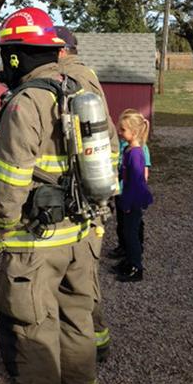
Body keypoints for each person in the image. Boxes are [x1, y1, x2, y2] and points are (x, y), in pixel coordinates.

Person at [0, 7, 97, 384]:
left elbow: (10, 178)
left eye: (6, 53)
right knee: (76, 321)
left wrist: (5, 224)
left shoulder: (27, 100)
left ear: (17, 55)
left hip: (37, 240)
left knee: (33, 329)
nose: (4, 62)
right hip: (82, 233)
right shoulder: (83, 87)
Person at [56, 25, 119, 362]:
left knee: (80, 281)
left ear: (62, 51)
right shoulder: (88, 77)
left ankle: (90, 345)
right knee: (84, 276)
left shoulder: (68, 78)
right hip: (96, 195)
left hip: (83, 198)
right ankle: (97, 341)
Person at [114, 109, 153, 282]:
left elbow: (137, 181)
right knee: (125, 230)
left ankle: (136, 267)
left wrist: (129, 202)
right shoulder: (128, 150)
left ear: (134, 132)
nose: (119, 132)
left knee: (131, 233)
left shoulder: (136, 153)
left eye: (123, 130)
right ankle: (128, 260)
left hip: (132, 200)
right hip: (126, 197)